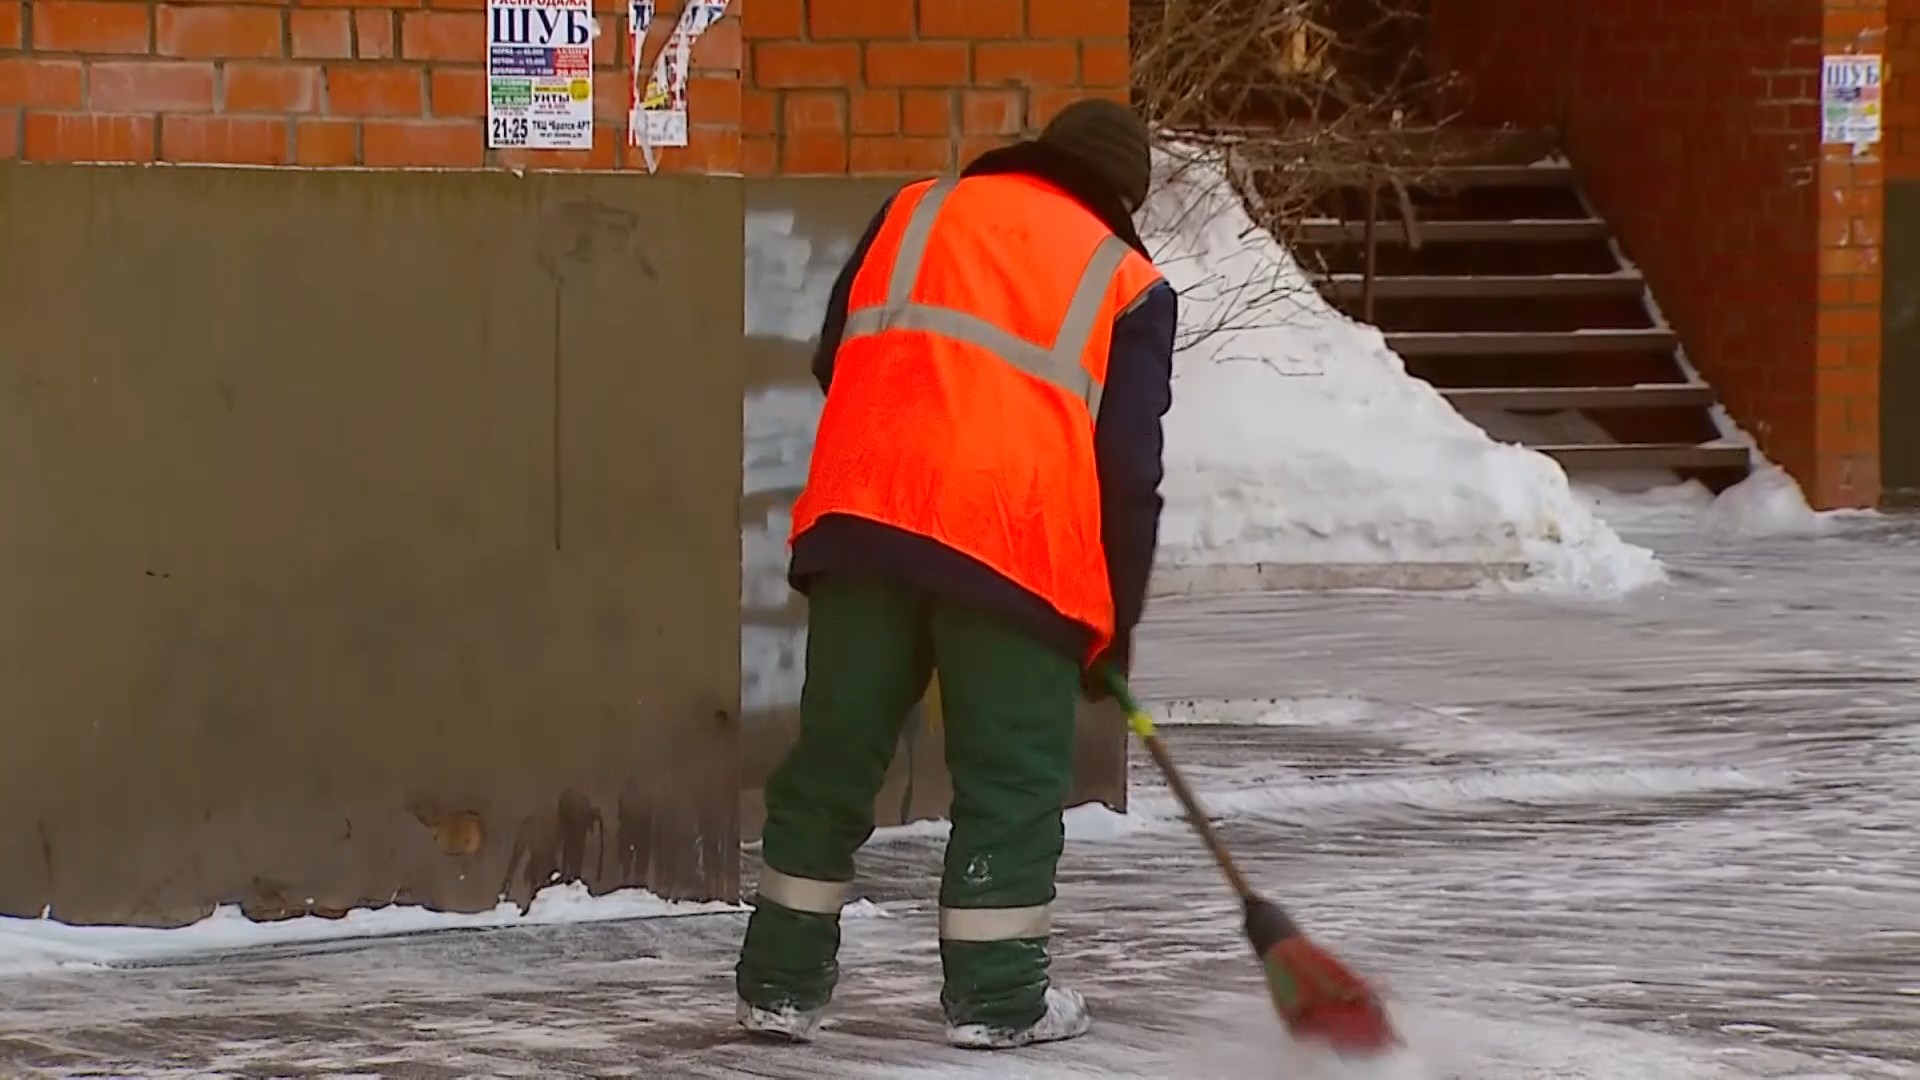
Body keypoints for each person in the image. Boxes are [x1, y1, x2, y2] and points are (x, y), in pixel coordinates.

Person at [733, 98, 1178, 1051]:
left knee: (834, 760)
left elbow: (834, 355)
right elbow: (1127, 476)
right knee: (1009, 780)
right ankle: (997, 1000)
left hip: (865, 522)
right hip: (1013, 549)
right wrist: (1113, 630)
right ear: (1124, 199)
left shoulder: (915, 209)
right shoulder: (1126, 281)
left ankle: (778, 983)